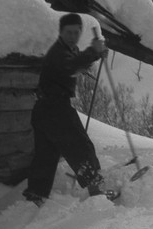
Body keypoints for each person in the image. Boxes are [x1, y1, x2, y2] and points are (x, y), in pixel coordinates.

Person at [24, 13, 115, 205]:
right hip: (55, 108)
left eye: (76, 32)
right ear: (61, 31)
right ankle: (96, 190)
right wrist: (93, 51)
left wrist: (95, 54)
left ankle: (36, 194)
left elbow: (75, 65)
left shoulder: (68, 49)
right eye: (69, 32)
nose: (73, 36)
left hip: (44, 109)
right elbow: (70, 67)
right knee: (81, 146)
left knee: (47, 152)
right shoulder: (58, 52)